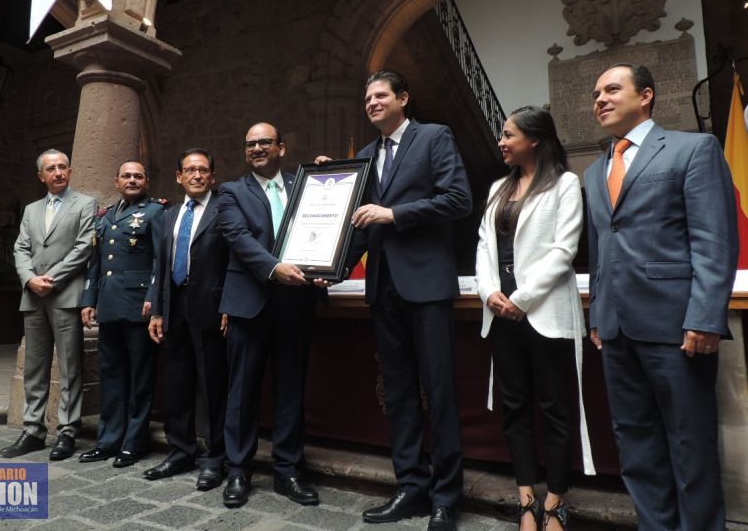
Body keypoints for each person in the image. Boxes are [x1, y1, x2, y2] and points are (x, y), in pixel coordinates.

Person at [585, 63, 738, 531]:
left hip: (677, 327)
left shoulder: (693, 149)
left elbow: (714, 241)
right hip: (615, 331)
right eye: (595, 94)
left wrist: (706, 317)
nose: (600, 100)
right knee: (636, 446)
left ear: (646, 95)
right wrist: (597, 316)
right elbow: (600, 248)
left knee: (690, 447)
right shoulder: (595, 171)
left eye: (612, 89)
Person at [341, 71, 472, 531]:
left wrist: (395, 213)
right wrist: (328, 271)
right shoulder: (363, 156)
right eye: (367, 97)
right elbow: (360, 225)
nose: (372, 102)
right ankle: (411, 489)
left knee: (438, 391)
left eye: (381, 95)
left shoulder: (434, 137)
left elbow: (458, 199)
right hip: (383, 287)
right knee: (397, 394)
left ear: (403, 98)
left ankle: (445, 497)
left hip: (427, 285)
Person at [475, 106, 594, 531]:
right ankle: (526, 499)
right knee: (515, 408)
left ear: (536, 140)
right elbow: (484, 246)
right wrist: (489, 290)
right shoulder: (495, 188)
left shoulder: (564, 184)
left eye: (509, 135)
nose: (502, 142)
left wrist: (520, 299)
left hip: (543, 313)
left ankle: (556, 502)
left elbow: (564, 251)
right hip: (501, 315)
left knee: (555, 408)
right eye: (502, 135)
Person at [217, 122, 324, 509]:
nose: (257, 148)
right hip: (250, 301)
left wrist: (332, 178)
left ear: (281, 146)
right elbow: (238, 238)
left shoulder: (308, 184)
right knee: (242, 392)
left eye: (265, 142)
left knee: (291, 390)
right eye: (250, 144)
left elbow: (327, 226)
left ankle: (288, 470)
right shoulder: (230, 192)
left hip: (297, 302)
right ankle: (238, 471)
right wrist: (274, 267)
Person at [2, 149, 97, 461]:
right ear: (40, 175)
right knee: (34, 367)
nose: (58, 172)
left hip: (65, 295)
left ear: (69, 171)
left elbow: (83, 247)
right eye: (51, 169)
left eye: (63, 167)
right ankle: (33, 430)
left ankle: (68, 430)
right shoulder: (31, 210)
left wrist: (49, 279)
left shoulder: (84, 204)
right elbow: (21, 248)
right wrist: (30, 280)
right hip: (32, 296)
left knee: (70, 367)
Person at [144, 148, 230, 491]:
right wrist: (158, 309)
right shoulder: (169, 214)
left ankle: (215, 457)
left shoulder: (225, 210)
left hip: (210, 308)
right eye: (190, 170)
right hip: (175, 307)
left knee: (213, 385)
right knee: (177, 383)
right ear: (179, 176)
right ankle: (180, 450)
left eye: (203, 170)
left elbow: (232, 261)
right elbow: (160, 265)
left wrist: (229, 306)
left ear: (212, 176)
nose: (197, 175)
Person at [77, 161, 165, 468]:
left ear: (147, 181)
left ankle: (133, 443)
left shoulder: (155, 212)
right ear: (116, 181)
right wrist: (89, 299)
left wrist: (154, 300)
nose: (132, 180)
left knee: (140, 380)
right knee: (111, 378)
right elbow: (96, 263)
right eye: (126, 176)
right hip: (110, 308)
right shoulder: (106, 216)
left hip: (139, 308)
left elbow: (159, 262)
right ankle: (108, 440)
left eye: (138, 176)